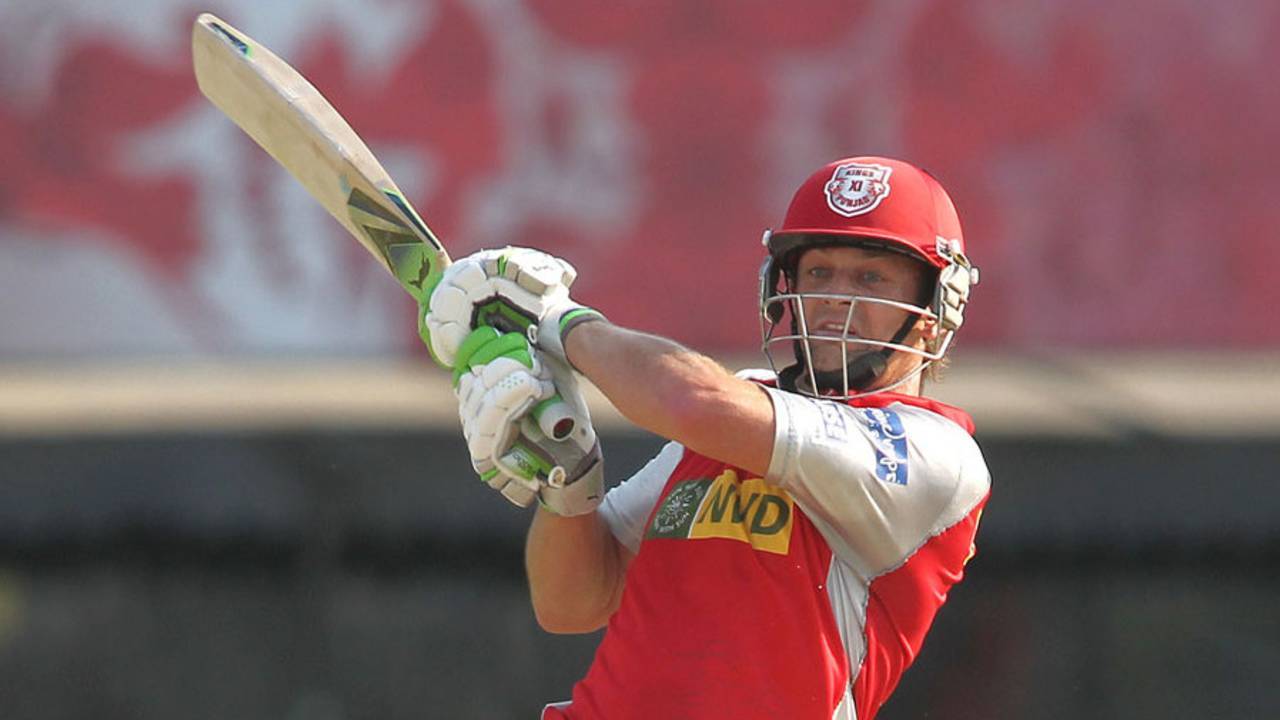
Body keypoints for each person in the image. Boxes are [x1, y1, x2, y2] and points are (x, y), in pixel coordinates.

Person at [423, 155, 990, 719]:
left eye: (870, 276)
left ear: (935, 308)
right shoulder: (739, 410)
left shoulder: (934, 454)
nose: (834, 298)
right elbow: (572, 603)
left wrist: (558, 322)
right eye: (819, 272)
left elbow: (691, 401)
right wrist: (567, 482)